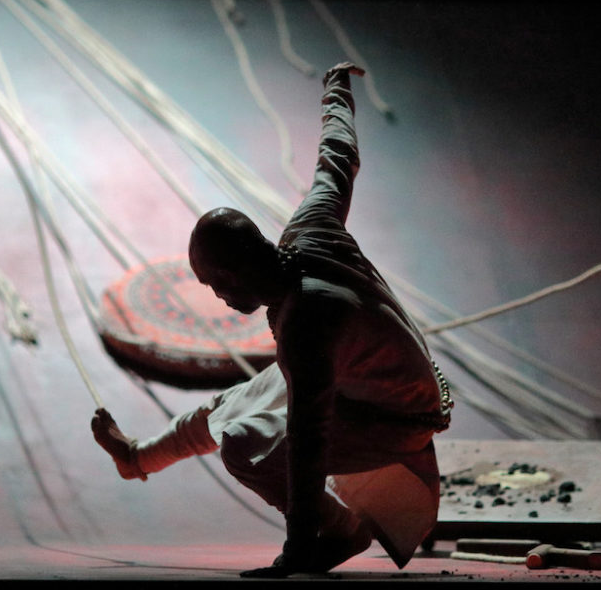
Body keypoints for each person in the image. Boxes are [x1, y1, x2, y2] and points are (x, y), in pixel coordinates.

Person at [92, 62, 453, 578]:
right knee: (231, 405)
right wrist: (336, 91)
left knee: (244, 444)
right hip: (367, 381)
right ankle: (137, 458)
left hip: (396, 420)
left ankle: (340, 529)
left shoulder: (309, 326)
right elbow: (336, 162)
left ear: (232, 278)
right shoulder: (308, 229)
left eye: (214, 286)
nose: (217, 298)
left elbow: (307, 445)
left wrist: (299, 548)